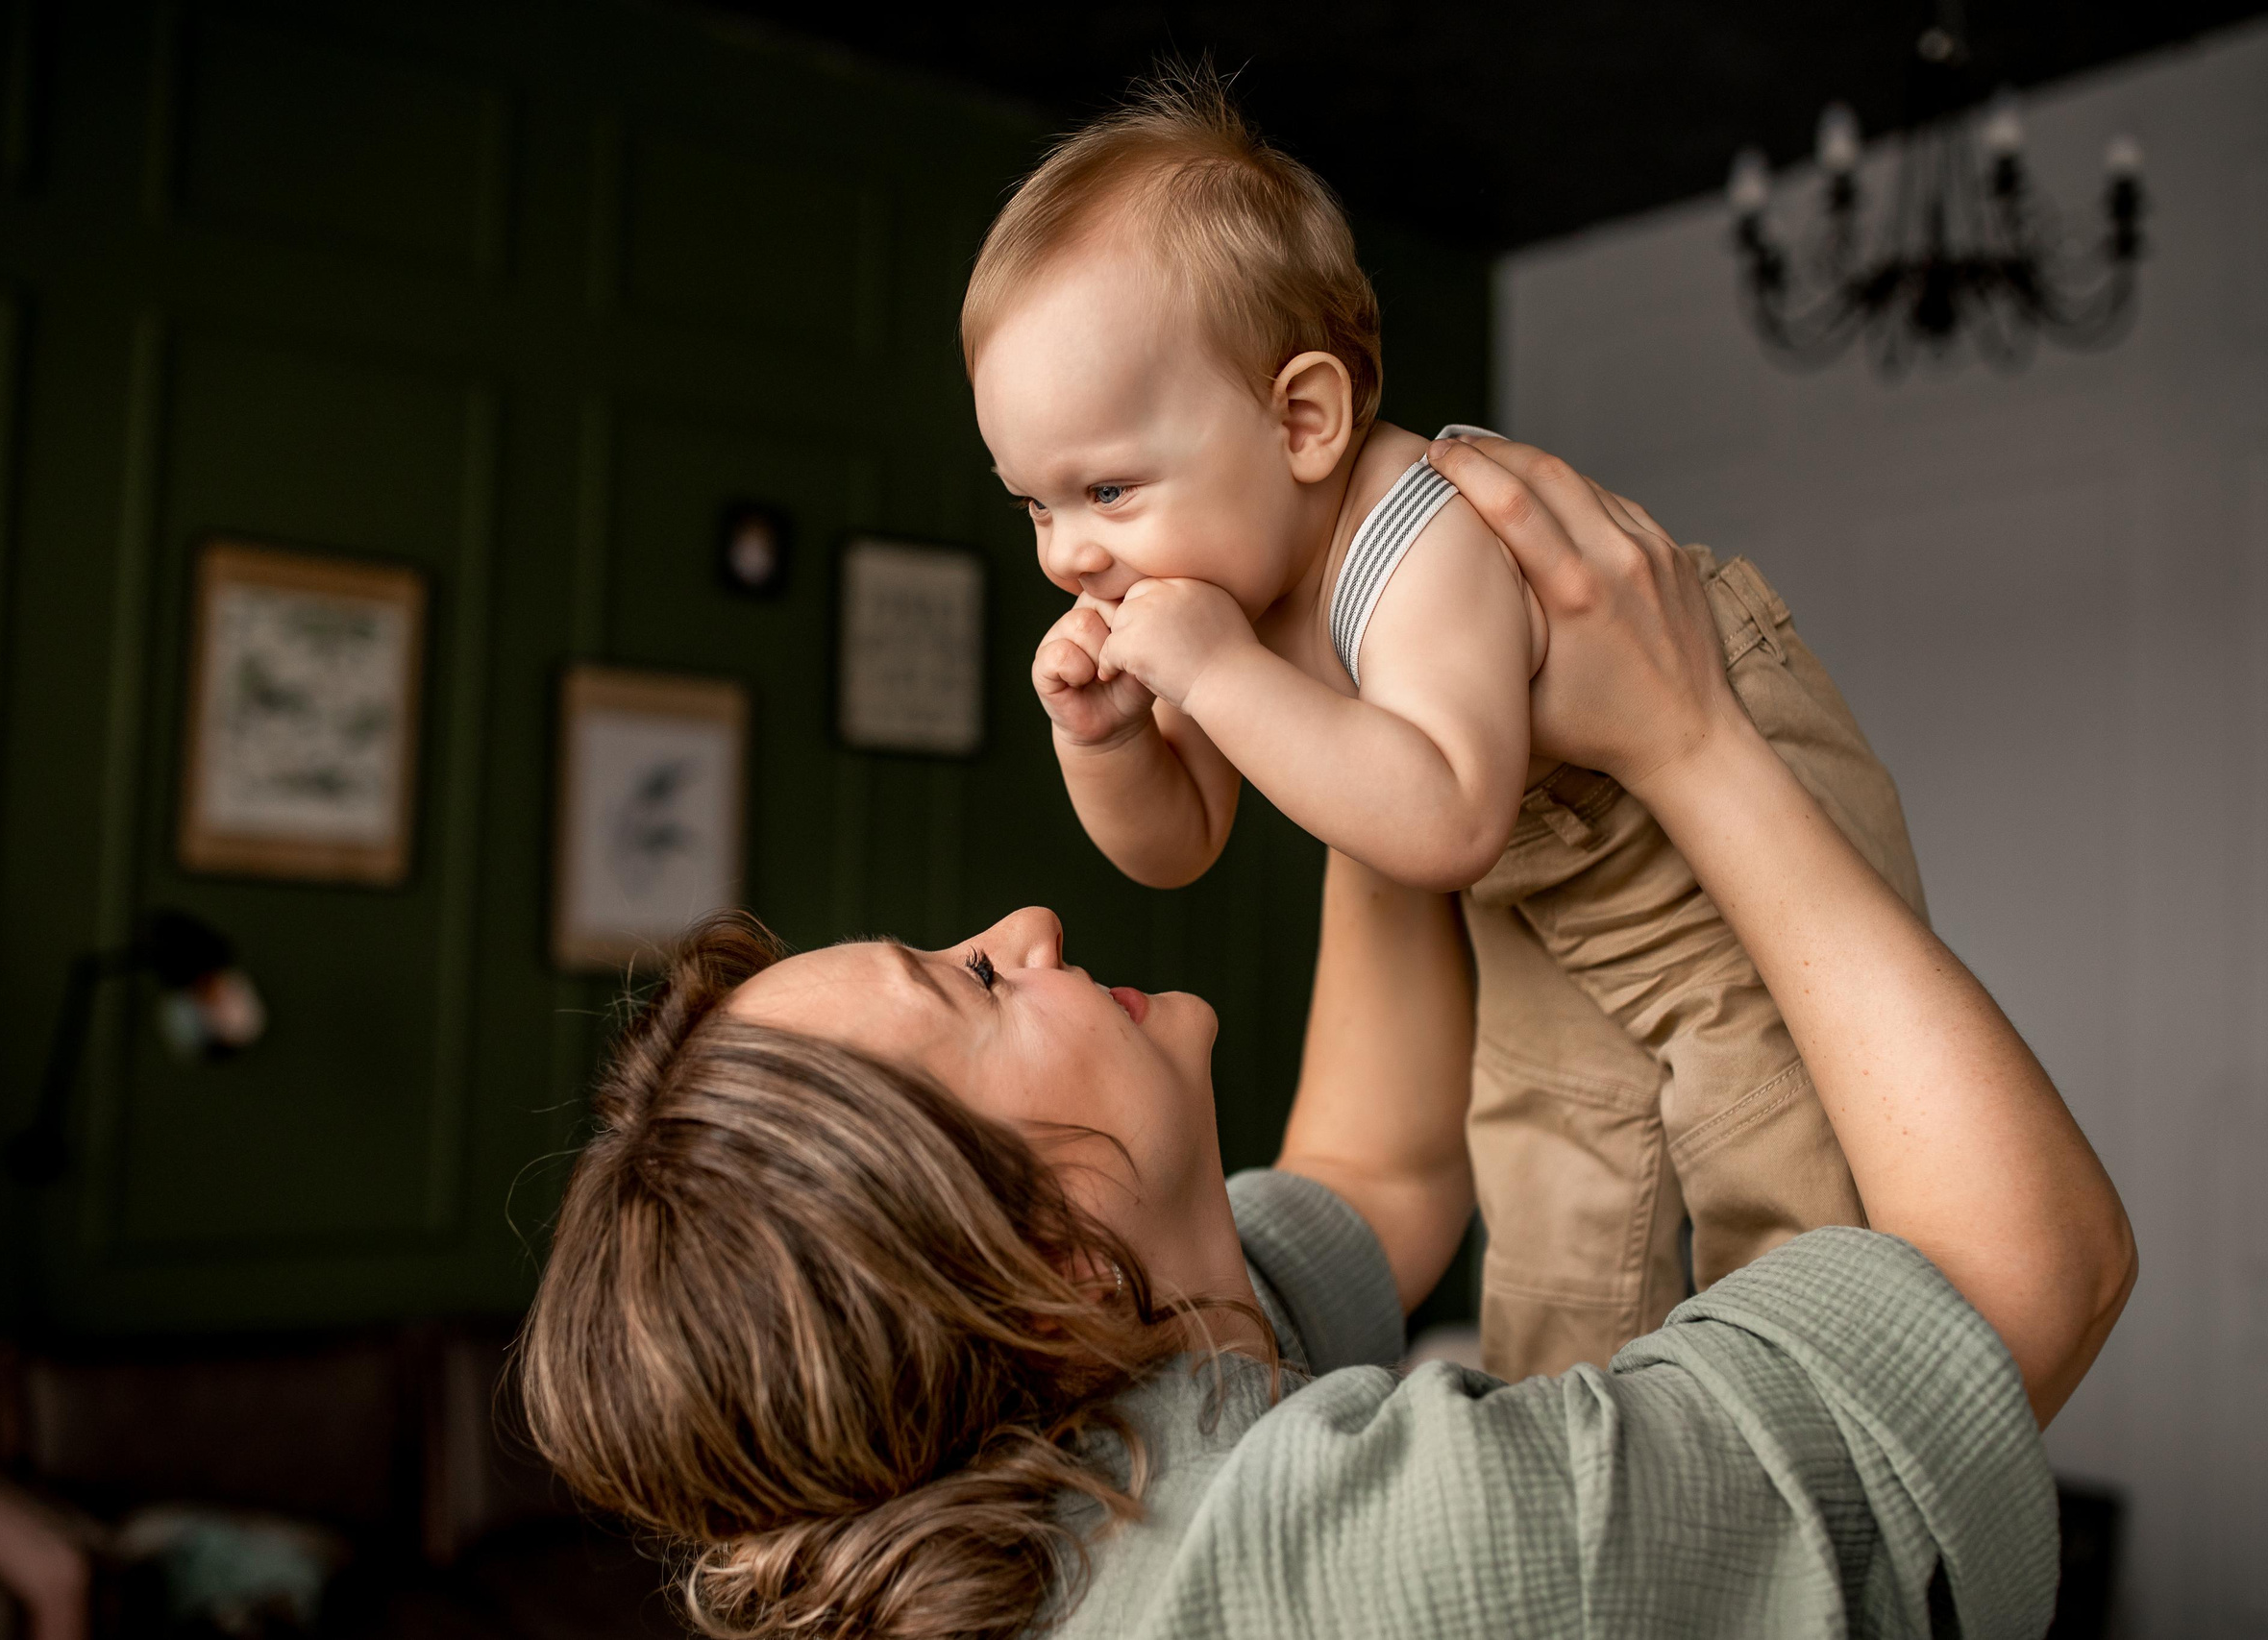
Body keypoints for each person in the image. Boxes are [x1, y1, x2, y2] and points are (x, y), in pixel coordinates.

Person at [515, 434, 2135, 1640]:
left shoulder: (1065, 1446)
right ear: (1056, 1258)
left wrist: (1382, 699)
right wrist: (1686, 732)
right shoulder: (1389, 1568)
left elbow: (1382, 1174)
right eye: (978, 989)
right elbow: (2028, 1272)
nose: (1031, 929)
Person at [970, 71, 1929, 1380]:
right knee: (1548, 1174)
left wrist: (1218, 676)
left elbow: (1443, 817)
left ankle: (1825, 1429)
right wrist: (1114, 740)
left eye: (1108, 489)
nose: (1071, 553)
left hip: (1714, 860)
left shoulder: (1422, 533)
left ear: (1303, 420)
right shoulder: (1224, 590)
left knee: (1775, 1146)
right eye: (1035, 506)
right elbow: (1178, 842)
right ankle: (1576, 1458)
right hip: (1552, 892)